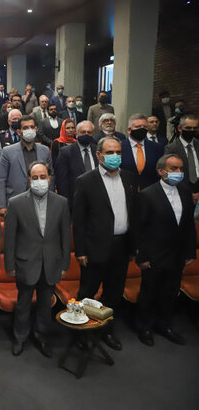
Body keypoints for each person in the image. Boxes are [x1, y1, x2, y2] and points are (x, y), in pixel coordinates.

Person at [73, 137, 137, 351]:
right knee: (87, 293)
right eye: (110, 153)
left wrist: (133, 246)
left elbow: (133, 213)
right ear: (99, 155)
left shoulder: (129, 177)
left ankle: (106, 331)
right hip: (94, 248)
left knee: (114, 292)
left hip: (122, 246)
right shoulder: (85, 181)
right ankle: (81, 333)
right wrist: (80, 250)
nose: (115, 157)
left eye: (118, 152)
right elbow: (79, 220)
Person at [5, 161, 71, 357]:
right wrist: (10, 265)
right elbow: (9, 239)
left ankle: (42, 337)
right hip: (25, 263)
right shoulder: (16, 203)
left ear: (49, 178)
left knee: (45, 305)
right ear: (29, 180)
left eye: (43, 177)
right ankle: (20, 338)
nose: (40, 181)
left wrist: (65, 263)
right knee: (23, 304)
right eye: (35, 178)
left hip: (51, 263)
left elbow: (65, 237)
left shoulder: (61, 202)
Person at [135, 154, 195, 347]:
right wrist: (142, 257)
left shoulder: (186, 192)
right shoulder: (147, 194)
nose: (179, 173)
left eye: (181, 169)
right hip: (154, 255)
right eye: (174, 169)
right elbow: (140, 229)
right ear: (161, 171)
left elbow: (188, 225)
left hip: (177, 255)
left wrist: (189, 252)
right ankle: (144, 327)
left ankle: (165, 325)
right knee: (148, 293)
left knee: (170, 292)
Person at [0, 115, 52, 213]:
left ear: (36, 129)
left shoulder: (45, 150)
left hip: (41, 201)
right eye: (25, 128)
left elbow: (51, 176)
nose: (29, 130)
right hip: (16, 201)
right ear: (19, 132)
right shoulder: (7, 152)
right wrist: (2, 206)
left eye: (32, 127)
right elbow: (1, 179)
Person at [55, 120, 98, 210]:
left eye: (89, 132)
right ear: (76, 133)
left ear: (93, 134)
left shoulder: (98, 150)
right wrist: (66, 204)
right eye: (83, 132)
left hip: (97, 200)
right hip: (75, 202)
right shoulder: (65, 153)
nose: (86, 134)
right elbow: (62, 181)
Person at [120, 113, 164, 190]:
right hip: (126, 191)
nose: (142, 129)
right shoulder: (120, 147)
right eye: (138, 127)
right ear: (129, 130)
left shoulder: (157, 148)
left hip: (150, 192)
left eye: (144, 127)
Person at [164, 114, 199, 203]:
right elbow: (169, 174)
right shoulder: (171, 148)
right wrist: (187, 193)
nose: (192, 131)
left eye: (195, 128)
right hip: (181, 194)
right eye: (188, 128)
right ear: (180, 128)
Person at [0, 109, 23, 182]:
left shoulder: (25, 136)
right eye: (14, 119)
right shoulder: (0, 136)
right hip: (6, 175)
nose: (17, 121)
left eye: (19, 119)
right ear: (9, 121)